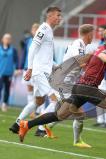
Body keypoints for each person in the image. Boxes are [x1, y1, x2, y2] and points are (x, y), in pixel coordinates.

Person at [18, 28, 106, 151]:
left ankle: (27, 124)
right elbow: (102, 56)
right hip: (88, 87)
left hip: (79, 87)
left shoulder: (100, 48)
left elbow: (98, 56)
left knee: (60, 114)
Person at [9, 7, 62, 137]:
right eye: (58, 15)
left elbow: (44, 55)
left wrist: (57, 66)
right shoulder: (44, 29)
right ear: (50, 16)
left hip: (42, 71)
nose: (60, 18)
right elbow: (33, 47)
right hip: (40, 73)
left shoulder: (49, 30)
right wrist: (30, 68)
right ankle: (40, 128)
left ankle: (16, 124)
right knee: (57, 102)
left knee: (38, 102)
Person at [58, 24, 95, 148]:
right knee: (79, 113)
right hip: (64, 83)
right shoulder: (78, 45)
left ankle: (43, 126)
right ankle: (77, 141)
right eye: (92, 34)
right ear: (88, 34)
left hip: (69, 83)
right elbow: (80, 62)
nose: (93, 36)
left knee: (64, 111)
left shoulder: (81, 46)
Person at [0, 33, 19, 112]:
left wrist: (16, 69)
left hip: (9, 73)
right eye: (6, 38)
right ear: (2, 40)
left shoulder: (13, 50)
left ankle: (4, 104)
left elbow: (16, 60)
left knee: (7, 89)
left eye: (9, 38)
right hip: (0, 73)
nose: (7, 40)